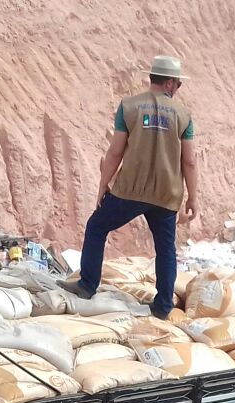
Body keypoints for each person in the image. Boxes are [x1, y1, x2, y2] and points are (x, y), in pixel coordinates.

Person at [68, 55, 199, 320]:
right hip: (166, 194)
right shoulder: (184, 116)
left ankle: (87, 285)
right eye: (178, 83)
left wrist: (103, 185)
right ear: (170, 83)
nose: (178, 88)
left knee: (96, 227)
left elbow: (115, 152)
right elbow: (190, 161)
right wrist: (192, 198)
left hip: (129, 190)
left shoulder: (128, 107)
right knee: (165, 249)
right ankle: (163, 306)